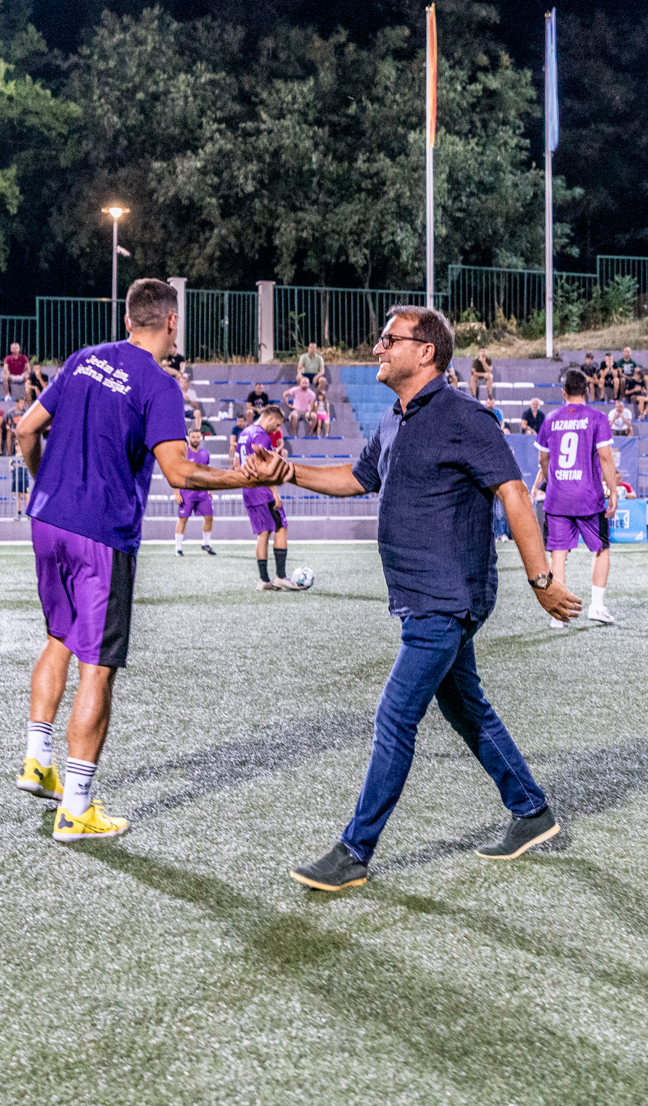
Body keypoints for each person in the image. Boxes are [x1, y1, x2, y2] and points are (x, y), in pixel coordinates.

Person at [260, 305, 580, 892]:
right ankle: (533, 812)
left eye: (389, 339)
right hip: (419, 595)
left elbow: (513, 495)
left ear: (425, 351)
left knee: (395, 714)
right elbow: (356, 479)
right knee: (464, 707)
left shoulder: (465, 416)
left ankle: (354, 852)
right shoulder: (394, 420)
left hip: (448, 596)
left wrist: (542, 582)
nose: (378, 348)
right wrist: (287, 470)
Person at [10, 277, 263, 843]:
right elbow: (180, 472)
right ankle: (75, 807)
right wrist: (240, 476)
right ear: (172, 323)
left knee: (58, 636)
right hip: (101, 533)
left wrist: (44, 483)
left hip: (47, 521)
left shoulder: (80, 360)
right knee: (97, 665)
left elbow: (25, 430)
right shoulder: (161, 383)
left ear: (128, 321)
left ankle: (36, 759)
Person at [531, 368, 619, 629]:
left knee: (558, 553)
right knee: (601, 549)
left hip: (558, 497)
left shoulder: (550, 419)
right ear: (587, 390)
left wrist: (553, 480)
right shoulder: (597, 418)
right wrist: (613, 491)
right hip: (588, 496)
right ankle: (597, 606)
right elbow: (605, 457)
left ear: (563, 392)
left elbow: (542, 459)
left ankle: (557, 614)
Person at [237, 404, 298, 590]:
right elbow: (264, 468)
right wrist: (275, 493)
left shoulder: (244, 433)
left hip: (248, 489)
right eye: (277, 424)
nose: (277, 429)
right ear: (270, 418)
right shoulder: (261, 435)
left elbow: (238, 462)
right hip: (263, 491)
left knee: (263, 533)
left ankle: (264, 580)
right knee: (281, 527)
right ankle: (280, 576)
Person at [173, 427, 218, 556]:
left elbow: (207, 473)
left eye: (197, 437)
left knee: (209, 517)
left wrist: (210, 489)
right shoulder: (184, 454)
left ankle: (206, 544)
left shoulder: (205, 453)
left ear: (200, 438)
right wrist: (176, 492)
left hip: (203, 493)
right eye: (193, 437)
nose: (195, 439)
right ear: (188, 438)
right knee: (183, 519)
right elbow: (175, 473)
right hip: (187, 493)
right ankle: (178, 548)